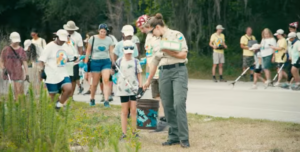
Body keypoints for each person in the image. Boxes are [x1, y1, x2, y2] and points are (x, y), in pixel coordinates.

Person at [143, 13, 190, 148]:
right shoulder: (155, 41)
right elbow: (154, 61)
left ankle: (184, 137)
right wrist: (148, 80)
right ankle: (173, 136)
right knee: (168, 106)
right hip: (163, 73)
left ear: (157, 27)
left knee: (179, 103)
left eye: (152, 31)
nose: (152, 34)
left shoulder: (176, 35)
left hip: (178, 70)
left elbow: (183, 55)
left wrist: (168, 51)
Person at [136, 14, 167, 132]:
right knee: (156, 96)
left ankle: (165, 119)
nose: (142, 31)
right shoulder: (148, 37)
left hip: (160, 70)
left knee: (163, 96)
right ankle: (162, 119)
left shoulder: (158, 36)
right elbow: (150, 53)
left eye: (142, 28)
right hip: (152, 71)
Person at [39, 29, 72, 109]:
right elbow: (42, 60)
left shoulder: (66, 46)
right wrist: (42, 71)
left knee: (68, 88)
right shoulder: (50, 46)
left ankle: (59, 104)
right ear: (57, 37)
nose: (62, 42)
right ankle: (52, 110)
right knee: (52, 95)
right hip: (52, 74)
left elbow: (69, 57)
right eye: (61, 40)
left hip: (63, 72)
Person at [116, 40, 142, 139]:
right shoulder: (119, 61)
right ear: (123, 50)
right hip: (123, 88)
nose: (128, 54)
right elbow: (114, 72)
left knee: (134, 110)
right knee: (124, 111)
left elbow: (139, 73)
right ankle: (124, 133)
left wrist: (140, 86)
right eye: (126, 51)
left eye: (130, 51)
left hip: (134, 88)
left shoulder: (136, 61)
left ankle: (134, 131)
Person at [84, 23, 115, 107]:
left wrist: (113, 62)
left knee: (106, 80)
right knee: (95, 82)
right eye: (101, 32)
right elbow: (88, 51)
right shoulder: (93, 38)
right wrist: (85, 63)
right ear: (98, 31)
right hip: (95, 61)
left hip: (106, 61)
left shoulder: (109, 39)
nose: (102, 33)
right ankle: (92, 98)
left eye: (104, 32)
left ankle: (106, 100)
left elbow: (111, 51)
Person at [0, 32, 29, 100]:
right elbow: (1, 61)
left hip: (18, 75)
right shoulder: (6, 49)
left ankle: (18, 107)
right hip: (8, 75)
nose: (16, 43)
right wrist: (3, 68)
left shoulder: (21, 50)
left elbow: (24, 62)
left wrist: (27, 74)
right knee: (9, 94)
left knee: (18, 93)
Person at [63, 20, 84, 98]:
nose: (70, 31)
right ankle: (65, 95)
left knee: (74, 79)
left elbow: (80, 47)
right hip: (64, 59)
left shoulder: (77, 36)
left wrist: (79, 57)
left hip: (74, 59)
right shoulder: (63, 34)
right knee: (65, 78)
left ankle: (71, 96)